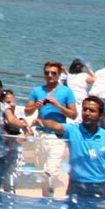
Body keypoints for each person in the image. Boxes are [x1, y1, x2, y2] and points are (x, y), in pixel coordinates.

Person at [38, 95, 105, 200]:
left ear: (100, 115)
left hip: (100, 187)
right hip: (76, 186)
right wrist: (42, 122)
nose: (87, 113)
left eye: (92, 111)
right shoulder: (72, 130)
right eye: (85, 110)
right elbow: (56, 126)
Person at [26, 61, 78, 197]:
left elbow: (73, 114)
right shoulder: (37, 91)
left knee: (52, 170)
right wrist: (36, 106)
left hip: (57, 136)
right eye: (47, 73)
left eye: (53, 73)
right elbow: (27, 111)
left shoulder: (66, 92)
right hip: (40, 134)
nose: (50, 76)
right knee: (40, 169)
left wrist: (58, 105)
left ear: (59, 74)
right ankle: (45, 197)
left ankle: (50, 196)